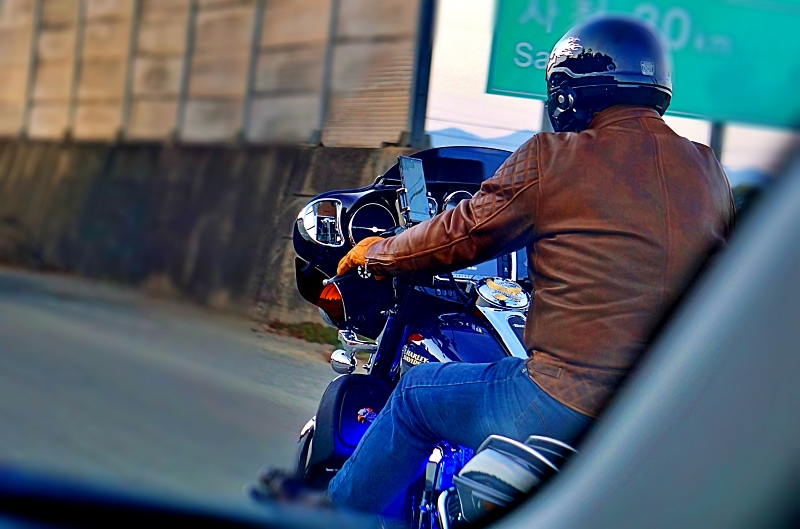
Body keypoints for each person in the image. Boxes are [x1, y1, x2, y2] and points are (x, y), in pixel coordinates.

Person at [266, 15, 735, 517]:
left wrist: (378, 252)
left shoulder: (555, 158)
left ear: (568, 93)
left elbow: (463, 232)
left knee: (416, 394)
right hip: (664, 413)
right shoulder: (708, 170)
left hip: (563, 401)